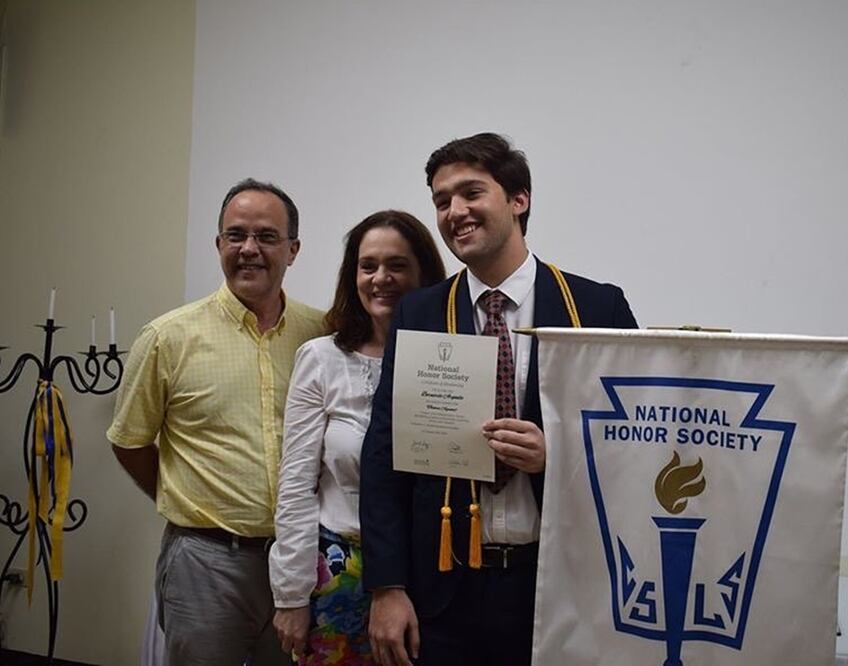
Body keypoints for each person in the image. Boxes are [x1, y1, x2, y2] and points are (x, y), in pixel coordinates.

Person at [360, 133, 638, 666]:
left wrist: (557, 456)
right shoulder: (420, 313)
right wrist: (386, 586)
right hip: (442, 594)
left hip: (558, 589)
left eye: (470, 193)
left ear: (519, 199)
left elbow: (634, 446)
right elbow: (384, 457)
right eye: (441, 201)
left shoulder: (596, 306)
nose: (454, 212)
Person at [107, 178, 325, 665]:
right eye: (235, 235)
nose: (249, 249)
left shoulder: (322, 334)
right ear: (219, 244)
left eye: (267, 236)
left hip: (301, 561)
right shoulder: (167, 338)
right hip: (205, 563)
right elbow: (130, 442)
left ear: (293, 249)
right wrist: (189, 499)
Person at [269, 211, 446, 664]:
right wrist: (290, 595)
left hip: (434, 574)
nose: (380, 279)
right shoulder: (322, 359)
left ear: (425, 273)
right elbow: (295, 487)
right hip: (340, 576)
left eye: (397, 265)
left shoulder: (456, 358)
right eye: (368, 266)